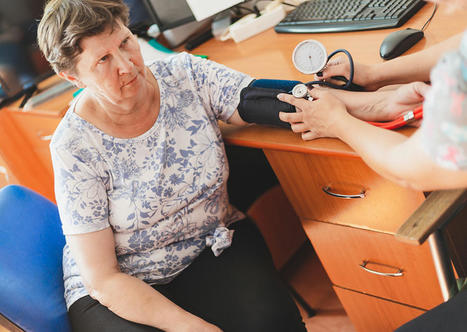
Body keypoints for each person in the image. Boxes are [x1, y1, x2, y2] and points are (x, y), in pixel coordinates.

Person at [37, 1, 306, 331]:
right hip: (117, 285)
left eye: (124, 42)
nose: (127, 65)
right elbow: (103, 279)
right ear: (72, 76)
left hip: (204, 243)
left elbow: (257, 98)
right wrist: (190, 327)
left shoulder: (184, 76)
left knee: (273, 322)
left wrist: (359, 98)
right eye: (103, 60)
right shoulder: (74, 146)